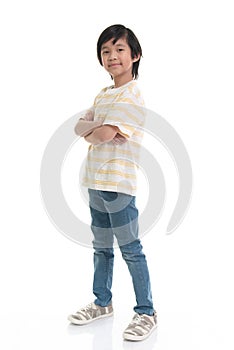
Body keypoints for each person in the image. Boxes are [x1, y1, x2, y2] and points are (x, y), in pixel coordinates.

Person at [68, 24, 157, 342]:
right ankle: (102, 303)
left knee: (131, 249)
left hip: (118, 186)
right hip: (94, 181)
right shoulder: (104, 94)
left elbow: (102, 133)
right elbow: (80, 125)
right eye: (106, 51)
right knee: (101, 248)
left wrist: (93, 128)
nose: (112, 56)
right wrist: (92, 127)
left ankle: (146, 311)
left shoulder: (131, 95)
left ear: (135, 55)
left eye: (119, 49)